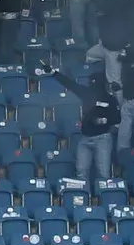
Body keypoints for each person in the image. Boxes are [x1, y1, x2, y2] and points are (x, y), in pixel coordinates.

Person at [51, 59, 123, 190]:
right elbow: (70, 84)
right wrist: (53, 73)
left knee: (103, 174)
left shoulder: (110, 99)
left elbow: (117, 119)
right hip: (85, 138)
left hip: (103, 138)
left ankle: (103, 203)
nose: (92, 86)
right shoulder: (86, 93)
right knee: (81, 173)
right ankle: (83, 200)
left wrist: (103, 121)